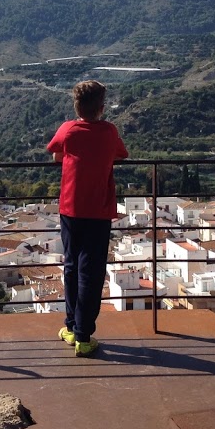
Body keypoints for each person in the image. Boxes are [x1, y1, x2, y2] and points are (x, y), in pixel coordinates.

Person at [47, 80, 128, 357]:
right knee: (90, 273)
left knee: (71, 267)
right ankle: (83, 335)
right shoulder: (109, 131)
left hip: (70, 208)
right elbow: (120, 153)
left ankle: (70, 326)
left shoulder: (68, 129)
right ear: (102, 108)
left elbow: (56, 155)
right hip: (98, 211)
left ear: (76, 106)